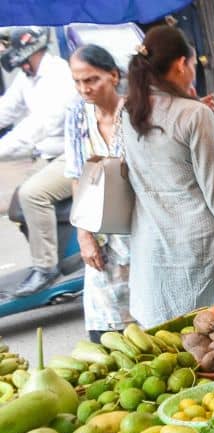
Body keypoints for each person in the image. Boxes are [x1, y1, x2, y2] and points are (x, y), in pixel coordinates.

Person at [121, 26, 214, 327]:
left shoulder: (129, 112)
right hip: (198, 247)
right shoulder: (194, 115)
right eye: (193, 65)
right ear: (181, 64)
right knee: (208, 340)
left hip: (151, 246)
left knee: (167, 347)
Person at [0, 27, 78, 297]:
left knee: (32, 194)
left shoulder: (58, 76)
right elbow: (6, 109)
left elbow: (37, 127)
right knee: (16, 207)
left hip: (72, 154)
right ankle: (54, 252)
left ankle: (46, 268)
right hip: (47, 156)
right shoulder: (28, 76)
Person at [65, 45, 134, 343]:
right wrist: (84, 236)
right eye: (78, 81)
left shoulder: (134, 113)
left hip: (139, 232)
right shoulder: (77, 117)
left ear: (114, 76)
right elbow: (75, 176)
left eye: (91, 80)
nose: (84, 88)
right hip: (101, 237)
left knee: (146, 329)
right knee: (106, 329)